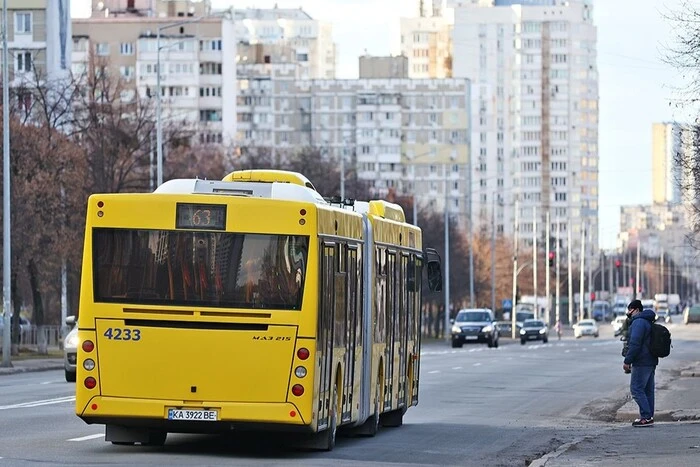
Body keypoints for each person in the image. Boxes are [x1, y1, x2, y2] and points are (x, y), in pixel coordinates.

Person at [622, 299, 659, 427]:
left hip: (641, 361)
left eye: (630, 310)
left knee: (636, 389)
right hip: (650, 361)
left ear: (636, 310)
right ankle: (648, 417)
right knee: (648, 391)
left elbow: (635, 344)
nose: (628, 313)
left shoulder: (638, 322)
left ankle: (646, 416)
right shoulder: (648, 321)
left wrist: (627, 360)